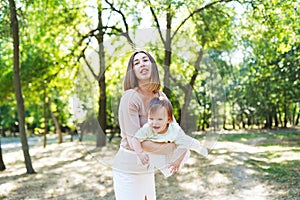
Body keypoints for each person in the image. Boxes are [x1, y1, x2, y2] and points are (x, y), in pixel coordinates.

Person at [112, 50, 176, 200]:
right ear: (132, 72)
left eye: (145, 60)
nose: (142, 64)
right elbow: (136, 141)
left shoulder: (160, 96)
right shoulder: (130, 97)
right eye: (136, 62)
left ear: (152, 65)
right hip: (128, 168)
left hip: (147, 166)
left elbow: (172, 127)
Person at [131, 96, 208, 177]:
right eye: (151, 118)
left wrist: (178, 161)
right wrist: (140, 153)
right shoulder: (147, 128)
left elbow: (183, 147)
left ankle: (199, 147)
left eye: (159, 119)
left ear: (168, 119)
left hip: (174, 137)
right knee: (165, 161)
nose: (154, 123)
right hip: (163, 141)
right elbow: (135, 139)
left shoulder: (174, 130)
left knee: (189, 142)